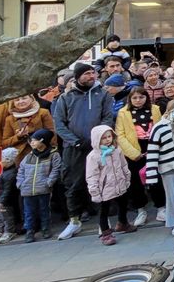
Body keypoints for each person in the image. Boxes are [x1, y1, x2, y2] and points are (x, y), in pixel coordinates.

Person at [52, 62, 115, 240]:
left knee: (101, 183)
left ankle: (103, 223)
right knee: (73, 184)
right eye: (87, 73)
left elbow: (107, 117)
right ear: (78, 76)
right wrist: (75, 141)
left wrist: (99, 138)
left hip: (97, 147)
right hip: (74, 149)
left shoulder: (102, 94)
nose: (91, 76)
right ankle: (74, 221)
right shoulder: (65, 98)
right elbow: (59, 124)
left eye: (93, 73)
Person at [115, 87, 161, 227]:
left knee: (156, 177)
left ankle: (161, 206)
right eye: (134, 98)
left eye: (141, 97)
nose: (138, 100)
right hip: (134, 149)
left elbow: (160, 127)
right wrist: (134, 153)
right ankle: (141, 209)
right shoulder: (123, 113)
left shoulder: (155, 109)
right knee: (135, 181)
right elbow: (120, 135)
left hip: (152, 146)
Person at [85, 125, 133, 246]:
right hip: (104, 188)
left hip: (119, 183)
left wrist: (127, 178)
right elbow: (92, 175)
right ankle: (105, 233)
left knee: (123, 204)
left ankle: (123, 223)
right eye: (103, 138)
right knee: (104, 211)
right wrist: (94, 191)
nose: (107, 140)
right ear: (97, 139)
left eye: (109, 136)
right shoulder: (93, 156)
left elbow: (124, 166)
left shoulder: (117, 150)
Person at [17, 129, 62, 242]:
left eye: (34, 140)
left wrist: (49, 182)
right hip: (27, 189)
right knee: (29, 212)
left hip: (43, 188)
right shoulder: (29, 156)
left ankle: (45, 228)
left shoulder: (53, 155)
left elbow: (56, 169)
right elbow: (21, 170)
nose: (31, 143)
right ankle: (30, 231)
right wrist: (20, 183)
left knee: (44, 210)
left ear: (43, 141)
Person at [147, 118, 174, 235]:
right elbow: (152, 150)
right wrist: (151, 174)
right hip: (168, 167)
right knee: (173, 197)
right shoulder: (159, 127)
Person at [5, 94, 54, 163]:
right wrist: (18, 136)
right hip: (22, 157)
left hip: (42, 153)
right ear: (13, 103)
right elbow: (5, 142)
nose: (21, 101)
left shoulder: (43, 112)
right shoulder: (9, 119)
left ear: (32, 99)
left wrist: (52, 150)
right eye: (17, 100)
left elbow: (52, 133)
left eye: (24, 98)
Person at [0, 148, 20, 243]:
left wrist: (1, 201)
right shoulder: (2, 171)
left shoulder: (10, 174)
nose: (0, 161)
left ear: (9, 161)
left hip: (6, 201)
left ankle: (9, 231)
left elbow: (8, 190)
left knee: (7, 216)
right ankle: (0, 230)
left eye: (2, 159)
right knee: (0, 216)